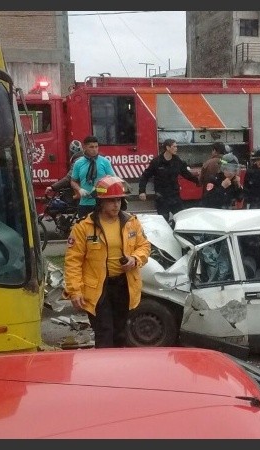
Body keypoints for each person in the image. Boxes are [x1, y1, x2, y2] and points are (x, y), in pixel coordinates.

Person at [62, 175, 151, 348]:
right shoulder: (84, 227)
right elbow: (73, 261)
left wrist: (134, 259)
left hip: (124, 286)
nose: (116, 204)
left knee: (121, 332)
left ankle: (118, 371)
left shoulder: (131, 223)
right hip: (98, 288)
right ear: (100, 202)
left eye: (118, 200)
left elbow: (144, 246)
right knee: (104, 332)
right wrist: (75, 291)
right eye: (111, 200)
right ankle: (102, 371)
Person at [48, 135, 115, 220]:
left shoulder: (105, 162)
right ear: (85, 147)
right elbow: (73, 181)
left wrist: (99, 187)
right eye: (91, 147)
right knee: (84, 230)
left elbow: (113, 180)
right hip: (84, 204)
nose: (94, 149)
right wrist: (80, 190)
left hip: (101, 203)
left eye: (96, 147)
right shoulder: (78, 163)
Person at [138, 138, 199, 221]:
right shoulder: (157, 162)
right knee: (164, 220)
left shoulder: (177, 161)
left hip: (174, 196)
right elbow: (145, 176)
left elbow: (186, 174)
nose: (176, 149)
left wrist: (197, 181)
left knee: (181, 218)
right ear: (167, 148)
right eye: (174, 146)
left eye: (176, 146)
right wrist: (142, 191)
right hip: (161, 197)